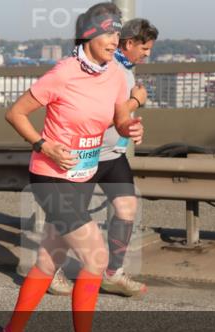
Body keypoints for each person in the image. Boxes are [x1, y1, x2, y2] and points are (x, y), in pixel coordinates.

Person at [0, 3, 146, 332]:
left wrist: (130, 129)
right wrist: (42, 144)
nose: (116, 39)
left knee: (49, 262)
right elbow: (15, 113)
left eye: (118, 33)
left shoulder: (115, 74)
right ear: (88, 36)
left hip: (83, 177)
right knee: (95, 258)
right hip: (50, 178)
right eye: (109, 32)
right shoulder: (63, 73)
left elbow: (118, 118)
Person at [47, 18, 158, 298]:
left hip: (114, 155)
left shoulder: (127, 69)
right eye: (144, 48)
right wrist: (136, 102)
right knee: (69, 222)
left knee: (126, 210)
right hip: (88, 154)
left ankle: (112, 274)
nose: (147, 54)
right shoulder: (109, 69)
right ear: (129, 43)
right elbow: (99, 118)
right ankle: (50, 271)